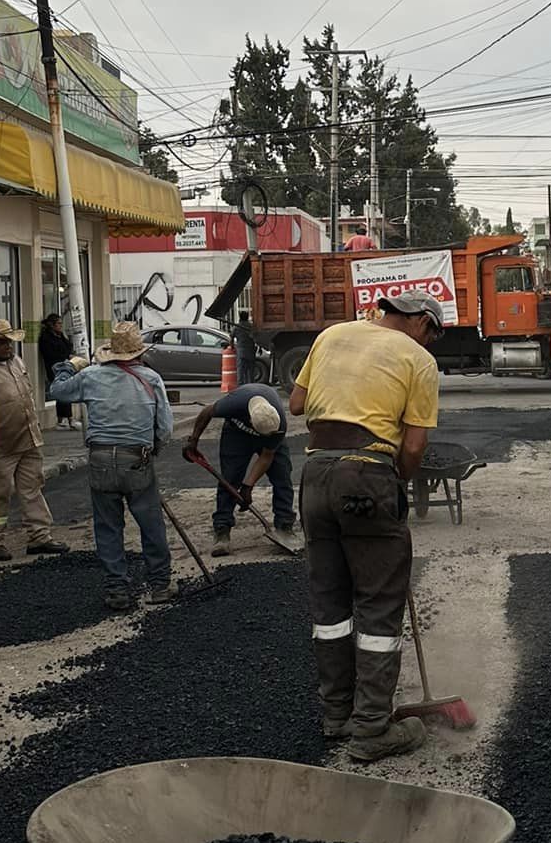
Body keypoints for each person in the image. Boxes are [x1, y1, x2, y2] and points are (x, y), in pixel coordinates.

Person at [289, 291, 442, 763]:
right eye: (433, 331)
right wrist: (395, 485)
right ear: (419, 323)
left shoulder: (333, 335)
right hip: (367, 472)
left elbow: (297, 404)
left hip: (315, 476)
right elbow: (414, 447)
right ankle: (372, 727)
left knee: (331, 605)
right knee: (378, 605)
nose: (432, 340)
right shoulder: (418, 359)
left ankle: (336, 715)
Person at [48, 321, 175, 611]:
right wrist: (153, 448)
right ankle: (159, 585)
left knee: (108, 526)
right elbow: (165, 427)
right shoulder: (151, 379)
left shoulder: (91, 376)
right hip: (136, 457)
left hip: (101, 457)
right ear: (139, 353)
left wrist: (68, 367)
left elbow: (58, 392)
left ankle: (116, 588)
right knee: (150, 523)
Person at [0, 319, 67, 562]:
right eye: (2, 342)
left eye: (10, 341)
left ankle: (40, 536)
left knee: (33, 488)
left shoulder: (15, 361)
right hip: (0, 442)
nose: (8, 346)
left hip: (29, 437)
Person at [182, 384, 296, 555]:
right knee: (230, 479)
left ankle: (285, 526)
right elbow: (206, 412)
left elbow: (266, 457)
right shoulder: (233, 404)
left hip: (269, 433)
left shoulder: (277, 424)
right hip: (236, 435)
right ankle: (222, 529)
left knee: (282, 477)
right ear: (250, 420)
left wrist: (248, 487)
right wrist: (193, 441)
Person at [39, 312, 76, 427]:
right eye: (58, 324)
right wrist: (65, 356)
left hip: (65, 366)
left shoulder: (59, 336)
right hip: (54, 368)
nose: (60, 326)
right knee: (62, 392)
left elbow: (68, 346)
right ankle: (62, 418)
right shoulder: (46, 338)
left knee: (66, 391)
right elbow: (51, 354)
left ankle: (68, 418)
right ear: (52, 325)